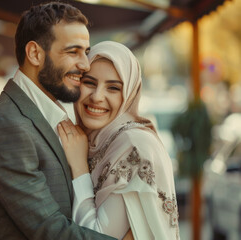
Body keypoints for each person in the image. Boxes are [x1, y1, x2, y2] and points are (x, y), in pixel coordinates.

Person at [0, 2, 115, 240]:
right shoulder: (6, 125)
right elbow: (50, 231)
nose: (85, 65)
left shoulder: (44, 113)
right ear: (35, 53)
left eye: (85, 52)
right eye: (72, 51)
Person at [58, 41, 180, 239]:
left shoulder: (133, 145)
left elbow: (95, 235)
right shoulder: (89, 141)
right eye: (89, 82)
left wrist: (79, 167)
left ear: (129, 95)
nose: (97, 96)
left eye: (113, 88)